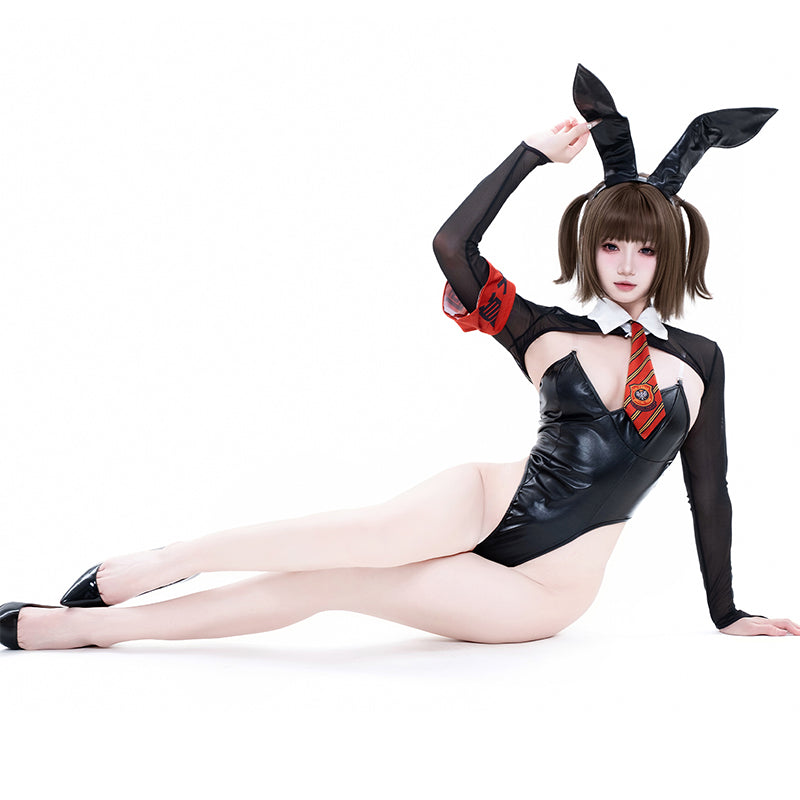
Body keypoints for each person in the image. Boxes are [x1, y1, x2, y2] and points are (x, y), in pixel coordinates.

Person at [2, 66, 797, 650]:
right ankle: (161, 561)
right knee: (352, 532)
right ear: (590, 244)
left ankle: (89, 631)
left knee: (331, 584)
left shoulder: (700, 358)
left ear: (671, 255)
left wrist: (726, 611)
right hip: (484, 497)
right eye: (613, 243)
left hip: (544, 585)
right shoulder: (541, 329)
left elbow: (708, 488)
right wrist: (528, 155)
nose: (626, 264)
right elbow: (453, 247)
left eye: (646, 249)